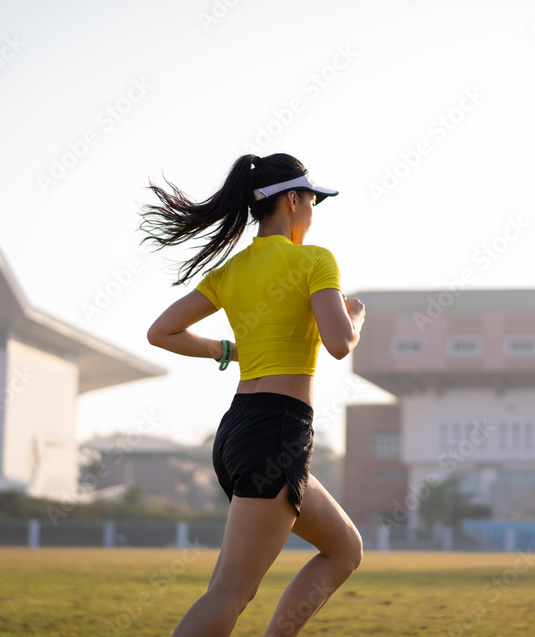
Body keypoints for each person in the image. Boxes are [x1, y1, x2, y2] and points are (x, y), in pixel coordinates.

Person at [139, 152, 366, 636]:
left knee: (345, 548)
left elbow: (162, 332)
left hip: (240, 431)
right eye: (311, 201)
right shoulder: (315, 260)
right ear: (291, 200)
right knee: (230, 592)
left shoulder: (232, 270)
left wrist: (229, 349)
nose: (311, 212)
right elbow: (340, 343)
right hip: (277, 432)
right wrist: (357, 315)